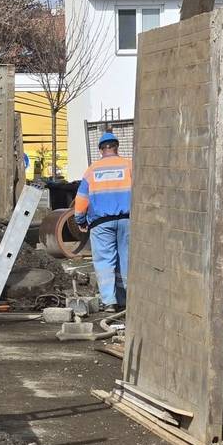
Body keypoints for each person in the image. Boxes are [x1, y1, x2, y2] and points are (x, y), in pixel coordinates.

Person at [73, 131, 131, 313]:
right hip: (127, 220)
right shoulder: (129, 165)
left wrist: (80, 220)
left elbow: (81, 199)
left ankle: (109, 301)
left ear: (100, 150)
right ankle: (125, 299)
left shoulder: (92, 170)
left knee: (105, 260)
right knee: (126, 258)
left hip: (101, 223)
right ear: (116, 147)